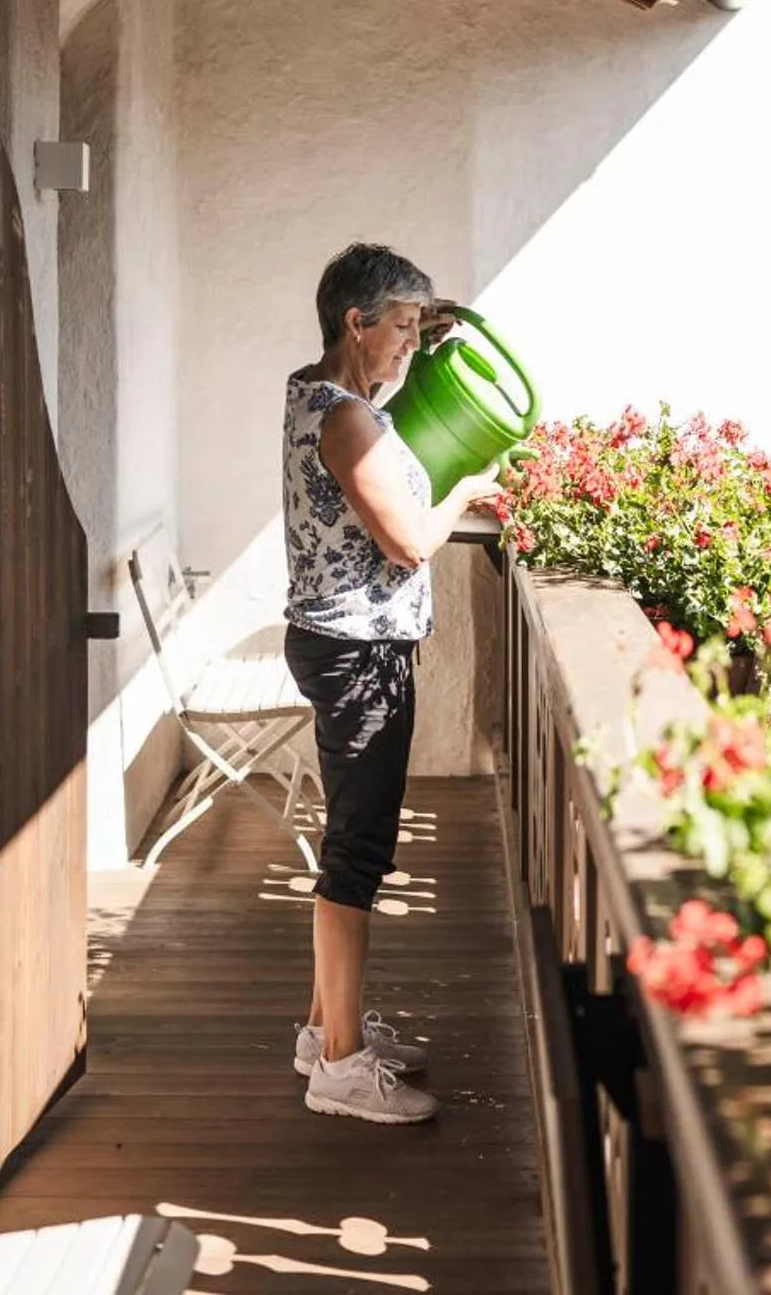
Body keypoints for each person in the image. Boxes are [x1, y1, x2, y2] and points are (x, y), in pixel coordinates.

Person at [282, 243, 503, 1124]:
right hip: (359, 656)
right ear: (355, 322)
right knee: (359, 855)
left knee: (350, 841)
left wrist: (427, 323)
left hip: (337, 643)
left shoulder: (319, 390)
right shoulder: (346, 421)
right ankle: (338, 1066)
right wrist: (470, 491)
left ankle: (322, 1028)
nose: (414, 345)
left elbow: (371, 391)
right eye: (402, 327)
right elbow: (409, 540)